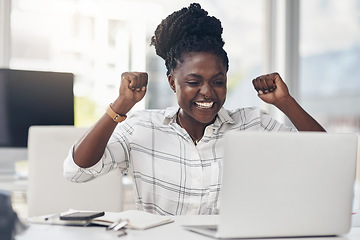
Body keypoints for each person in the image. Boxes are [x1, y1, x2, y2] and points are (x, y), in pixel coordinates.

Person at [63, 3, 326, 216]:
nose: (207, 92)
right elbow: (76, 171)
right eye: (193, 82)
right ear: (172, 82)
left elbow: (325, 159)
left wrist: (285, 102)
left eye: (218, 82)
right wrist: (120, 106)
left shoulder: (253, 124)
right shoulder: (141, 128)